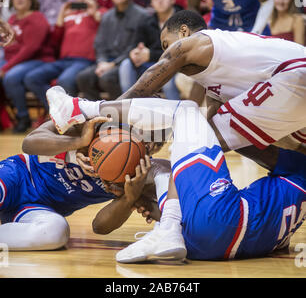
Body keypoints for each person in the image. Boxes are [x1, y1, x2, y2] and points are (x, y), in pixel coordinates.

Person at [45, 87, 306, 261]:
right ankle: (168, 225)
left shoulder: (299, 165)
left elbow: (242, 140)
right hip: (217, 244)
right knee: (162, 169)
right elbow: (99, 227)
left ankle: (80, 108)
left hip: (221, 226)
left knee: (186, 111)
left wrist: (222, 100)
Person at [114, 10, 306, 153]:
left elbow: (140, 90)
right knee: (288, 148)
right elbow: (210, 124)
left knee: (198, 142)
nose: (165, 52)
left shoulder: (196, 42)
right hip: (293, 84)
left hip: (296, 72)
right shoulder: (213, 78)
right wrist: (165, 133)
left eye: (166, 45)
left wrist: (104, 115)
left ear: (183, 32)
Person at [0, 112, 171, 250]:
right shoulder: (93, 124)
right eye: (146, 133)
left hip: (40, 209)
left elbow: (100, 227)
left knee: (56, 232)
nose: (148, 145)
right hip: (21, 174)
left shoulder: (139, 172)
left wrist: (129, 198)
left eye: (156, 143)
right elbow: (29, 143)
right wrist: (76, 147)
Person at [24, 0, 104, 117]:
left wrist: (95, 13)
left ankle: (65, 117)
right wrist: (61, 13)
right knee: (32, 78)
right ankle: (57, 113)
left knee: (64, 81)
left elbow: (106, 33)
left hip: (84, 61)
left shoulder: (101, 12)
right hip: (64, 60)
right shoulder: (68, 14)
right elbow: (55, 40)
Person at [76, 0, 148, 101]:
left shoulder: (142, 16)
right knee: (83, 77)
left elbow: (135, 47)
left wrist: (112, 64)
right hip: (107, 62)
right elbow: (99, 45)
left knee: (107, 78)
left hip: (128, 63)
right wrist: (102, 63)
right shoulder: (106, 17)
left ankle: (121, 114)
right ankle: (97, 116)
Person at [1, 0, 54, 133]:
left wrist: (5, 67)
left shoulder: (37, 18)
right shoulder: (11, 19)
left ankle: (23, 117)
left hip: (37, 60)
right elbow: (7, 45)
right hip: (16, 59)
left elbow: (30, 49)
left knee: (11, 76)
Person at [119, 0, 180, 99]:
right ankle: (129, 108)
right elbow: (135, 45)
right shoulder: (146, 21)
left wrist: (150, 54)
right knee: (126, 65)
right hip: (151, 66)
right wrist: (135, 53)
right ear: (151, 2)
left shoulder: (183, 20)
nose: (160, 1)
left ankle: (175, 113)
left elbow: (180, 52)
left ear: (172, 0)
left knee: (167, 72)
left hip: (176, 65)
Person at [188, 0, 273, 34]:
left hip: (252, 19)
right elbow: (192, 7)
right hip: (220, 21)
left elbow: (267, 1)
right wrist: (199, 31)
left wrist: (256, 32)